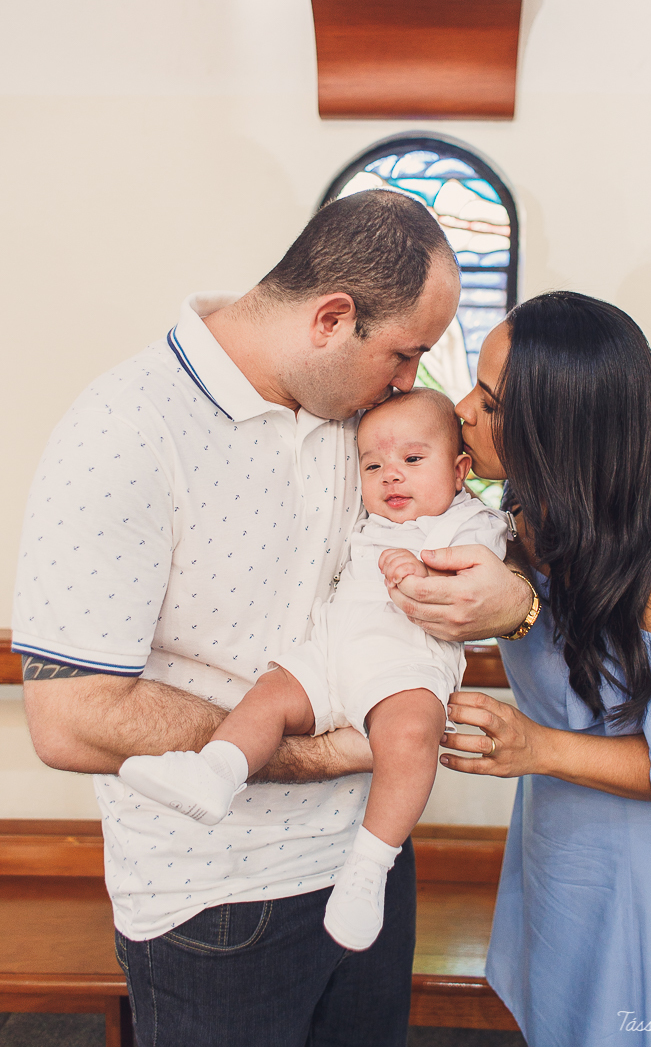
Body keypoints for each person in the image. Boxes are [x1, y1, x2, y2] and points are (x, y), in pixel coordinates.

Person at [14, 188, 533, 1047]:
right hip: (215, 902)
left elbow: (471, 533)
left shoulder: (365, 420)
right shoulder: (123, 432)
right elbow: (68, 722)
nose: (411, 384)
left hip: (371, 861)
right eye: (405, 355)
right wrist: (323, 755)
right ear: (331, 318)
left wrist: (518, 603)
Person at [396, 291, 651, 1046]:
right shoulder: (525, 521)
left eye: (490, 401)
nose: (465, 412)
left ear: (559, 427)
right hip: (564, 842)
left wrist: (533, 746)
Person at [119, 387, 510, 951]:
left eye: (412, 461)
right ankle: (216, 772)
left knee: (409, 736)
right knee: (271, 694)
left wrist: (420, 575)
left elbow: (478, 592)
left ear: (460, 471)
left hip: (405, 664)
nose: (391, 477)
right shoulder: (368, 518)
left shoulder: (471, 524)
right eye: (374, 465)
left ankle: (369, 866)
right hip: (330, 651)